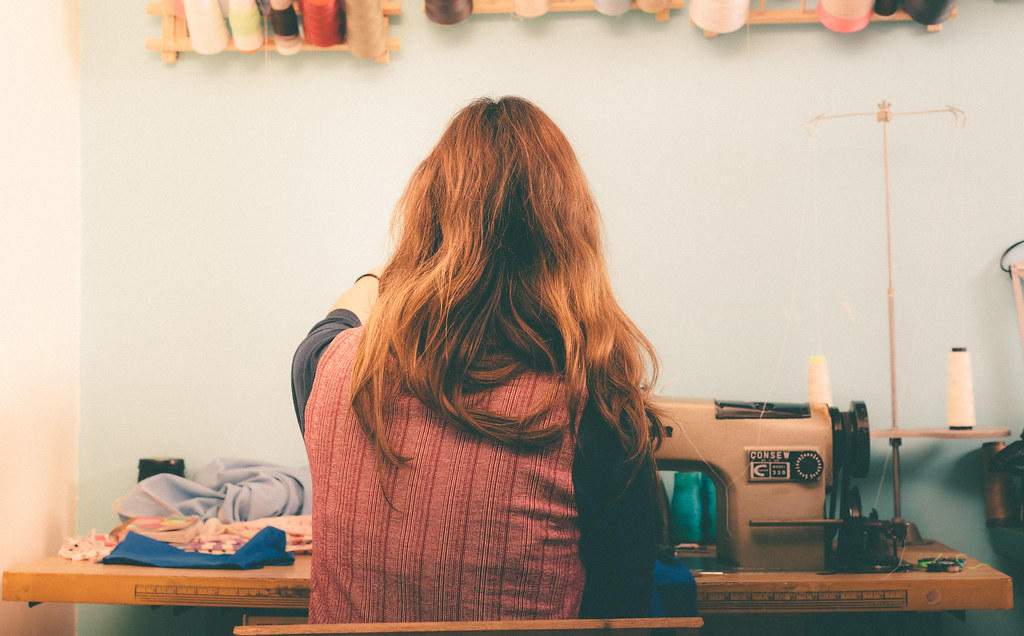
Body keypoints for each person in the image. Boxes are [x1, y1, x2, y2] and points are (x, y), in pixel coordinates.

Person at [292, 96, 666, 624]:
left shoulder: (328, 371)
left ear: (425, 221)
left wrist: (403, 269)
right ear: (569, 240)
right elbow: (622, 610)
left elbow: (337, 322)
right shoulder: (594, 414)